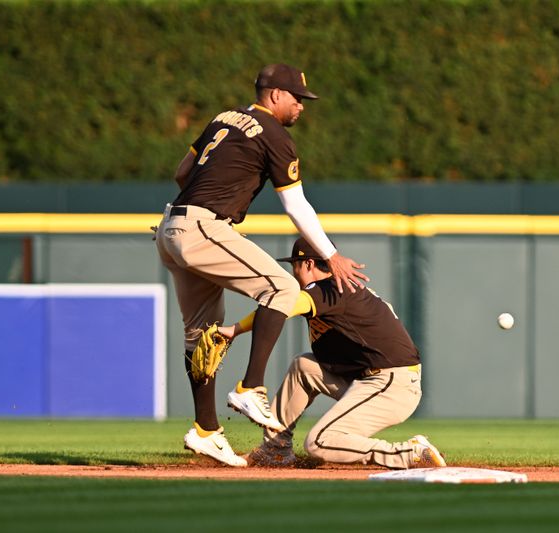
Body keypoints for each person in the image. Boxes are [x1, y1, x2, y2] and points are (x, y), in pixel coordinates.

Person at [155, 64, 369, 467]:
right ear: (274, 95)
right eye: (297, 98)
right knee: (284, 289)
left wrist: (202, 200)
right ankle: (251, 386)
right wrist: (330, 255)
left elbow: (182, 172)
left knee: (200, 336)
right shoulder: (275, 135)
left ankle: (206, 431)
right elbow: (295, 204)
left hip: (170, 226)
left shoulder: (223, 117)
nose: (302, 107)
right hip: (202, 227)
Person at [218, 237, 446, 469]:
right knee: (304, 367)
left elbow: (278, 308)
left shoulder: (328, 289)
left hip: (391, 385)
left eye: (294, 265)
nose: (294, 272)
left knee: (319, 442)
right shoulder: (334, 289)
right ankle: (275, 450)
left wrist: (234, 330)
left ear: (307, 264)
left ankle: (410, 453)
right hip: (373, 379)